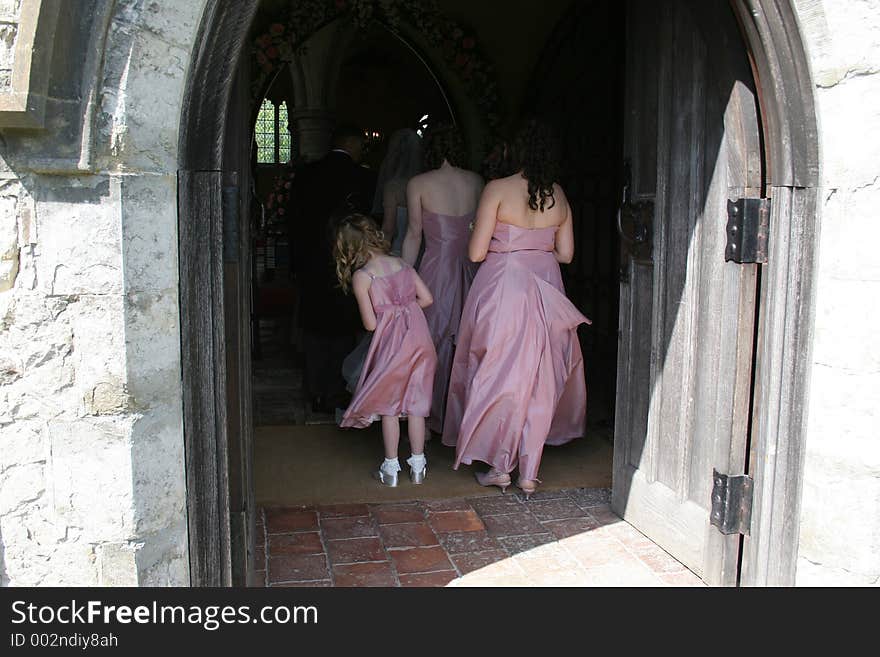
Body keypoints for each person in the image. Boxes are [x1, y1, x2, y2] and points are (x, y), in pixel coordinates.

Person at [441, 120, 591, 499]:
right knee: (541, 377)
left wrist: (500, 240)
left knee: (500, 372)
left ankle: (499, 465)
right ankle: (529, 472)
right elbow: (567, 254)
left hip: (503, 285)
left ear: (515, 153)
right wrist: (538, 249)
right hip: (546, 285)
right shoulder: (559, 195)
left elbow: (475, 252)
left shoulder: (497, 189)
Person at [334, 214, 438, 486]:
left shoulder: (363, 276)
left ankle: (391, 468)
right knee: (417, 404)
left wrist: (388, 313)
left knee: (389, 406)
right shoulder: (402, 264)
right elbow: (427, 299)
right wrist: (405, 308)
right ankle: (418, 466)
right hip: (420, 340)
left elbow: (370, 324)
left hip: (391, 347)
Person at [286, 124, 377, 414]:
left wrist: (296, 263)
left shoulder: (307, 174)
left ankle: (315, 391)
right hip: (348, 261)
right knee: (344, 328)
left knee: (314, 330)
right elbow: (368, 223)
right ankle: (338, 392)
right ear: (351, 144)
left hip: (311, 263)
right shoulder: (362, 177)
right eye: (361, 144)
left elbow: (294, 221)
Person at [402, 123, 484, 435]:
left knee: (430, 338)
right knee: (468, 339)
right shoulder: (476, 181)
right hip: (471, 268)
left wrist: (404, 281)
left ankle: (430, 413)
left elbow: (413, 234)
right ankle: (463, 415)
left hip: (436, 268)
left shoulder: (419, 183)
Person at [372, 128, 423, 255]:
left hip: (400, 251)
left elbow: (388, 229)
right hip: (423, 252)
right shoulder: (426, 183)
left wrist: (378, 255)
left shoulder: (393, 187)